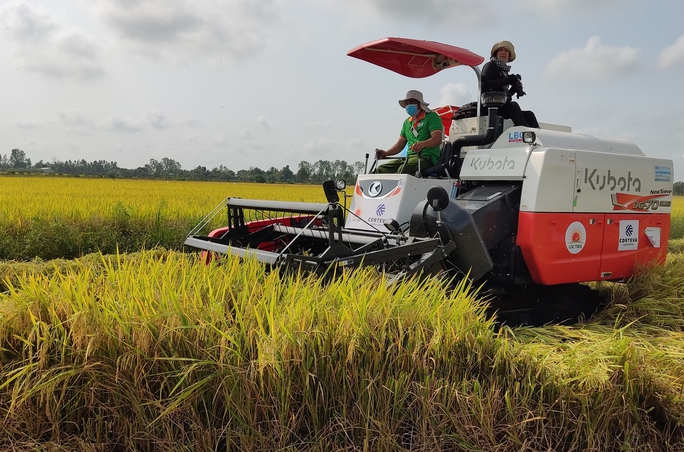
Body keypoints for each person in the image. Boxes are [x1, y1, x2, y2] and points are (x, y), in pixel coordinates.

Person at [373, 90, 443, 174]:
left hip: (427, 158)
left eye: (412, 102)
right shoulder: (407, 122)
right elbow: (399, 145)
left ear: (419, 104)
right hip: (408, 159)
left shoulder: (432, 117)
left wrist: (422, 144)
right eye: (407, 103)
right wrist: (386, 153)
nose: (409, 105)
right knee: (380, 169)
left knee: (402, 170)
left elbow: (437, 139)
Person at [481, 40, 539, 128]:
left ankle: (535, 137)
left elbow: (504, 96)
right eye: (501, 50)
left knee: (529, 115)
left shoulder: (504, 71)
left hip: (501, 106)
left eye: (506, 51)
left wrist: (514, 89)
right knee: (513, 106)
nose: (503, 52)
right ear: (496, 53)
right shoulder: (490, 66)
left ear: (509, 55)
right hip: (490, 108)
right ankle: (524, 133)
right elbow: (485, 85)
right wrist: (507, 80)